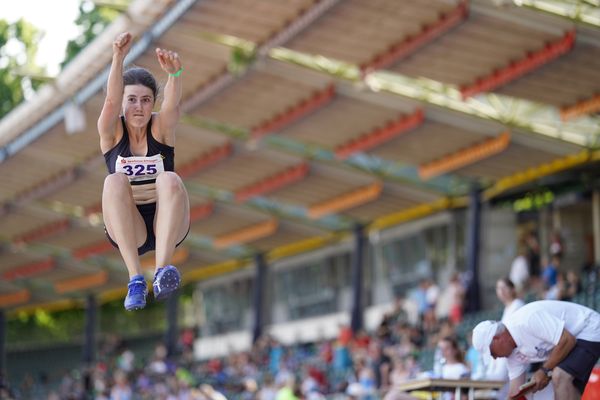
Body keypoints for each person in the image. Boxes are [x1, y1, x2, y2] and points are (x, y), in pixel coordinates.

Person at [98, 32, 190, 310]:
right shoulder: (112, 133)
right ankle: (135, 279)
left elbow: (172, 106)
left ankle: (163, 271)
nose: (138, 107)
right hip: (130, 228)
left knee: (170, 178)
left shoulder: (160, 129)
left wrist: (175, 75)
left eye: (146, 100)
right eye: (132, 100)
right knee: (113, 182)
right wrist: (118, 57)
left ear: (153, 104)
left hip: (168, 224)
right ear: (124, 103)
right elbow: (111, 102)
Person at [472, 300, 600, 400]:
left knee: (559, 376)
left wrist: (544, 370)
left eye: (492, 353)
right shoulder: (510, 354)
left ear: (497, 338)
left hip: (589, 329)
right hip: (572, 341)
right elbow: (515, 391)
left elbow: (567, 340)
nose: (494, 358)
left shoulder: (526, 320)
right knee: (561, 389)